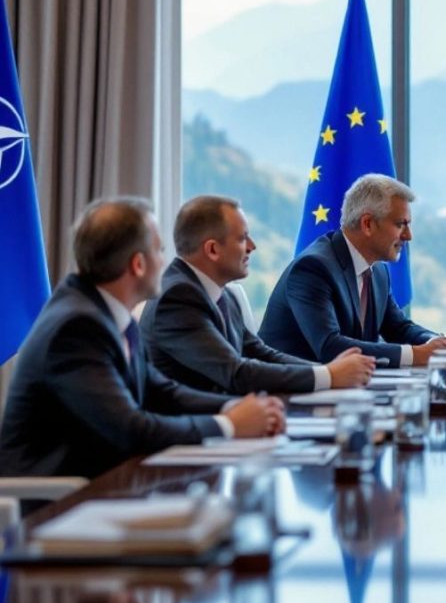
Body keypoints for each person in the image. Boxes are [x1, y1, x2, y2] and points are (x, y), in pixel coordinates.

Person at [0, 197, 285, 479]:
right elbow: (131, 430)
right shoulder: (75, 327)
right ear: (138, 264)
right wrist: (229, 425)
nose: (165, 262)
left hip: (104, 483)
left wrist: (233, 407)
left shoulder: (105, 310)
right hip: (54, 502)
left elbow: (160, 391)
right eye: (159, 251)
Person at [140, 195, 376, 395]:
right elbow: (236, 372)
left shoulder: (222, 293)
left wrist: (328, 371)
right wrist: (328, 376)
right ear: (212, 249)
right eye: (243, 238)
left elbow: (261, 354)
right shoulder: (178, 298)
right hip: (187, 438)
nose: (252, 246)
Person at [259, 174, 446, 366]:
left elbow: (398, 328)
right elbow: (330, 347)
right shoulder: (313, 268)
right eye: (400, 224)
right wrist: (417, 354)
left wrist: (439, 342)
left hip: (343, 392)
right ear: (367, 224)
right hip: (286, 397)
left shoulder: (378, 272)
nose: (408, 236)